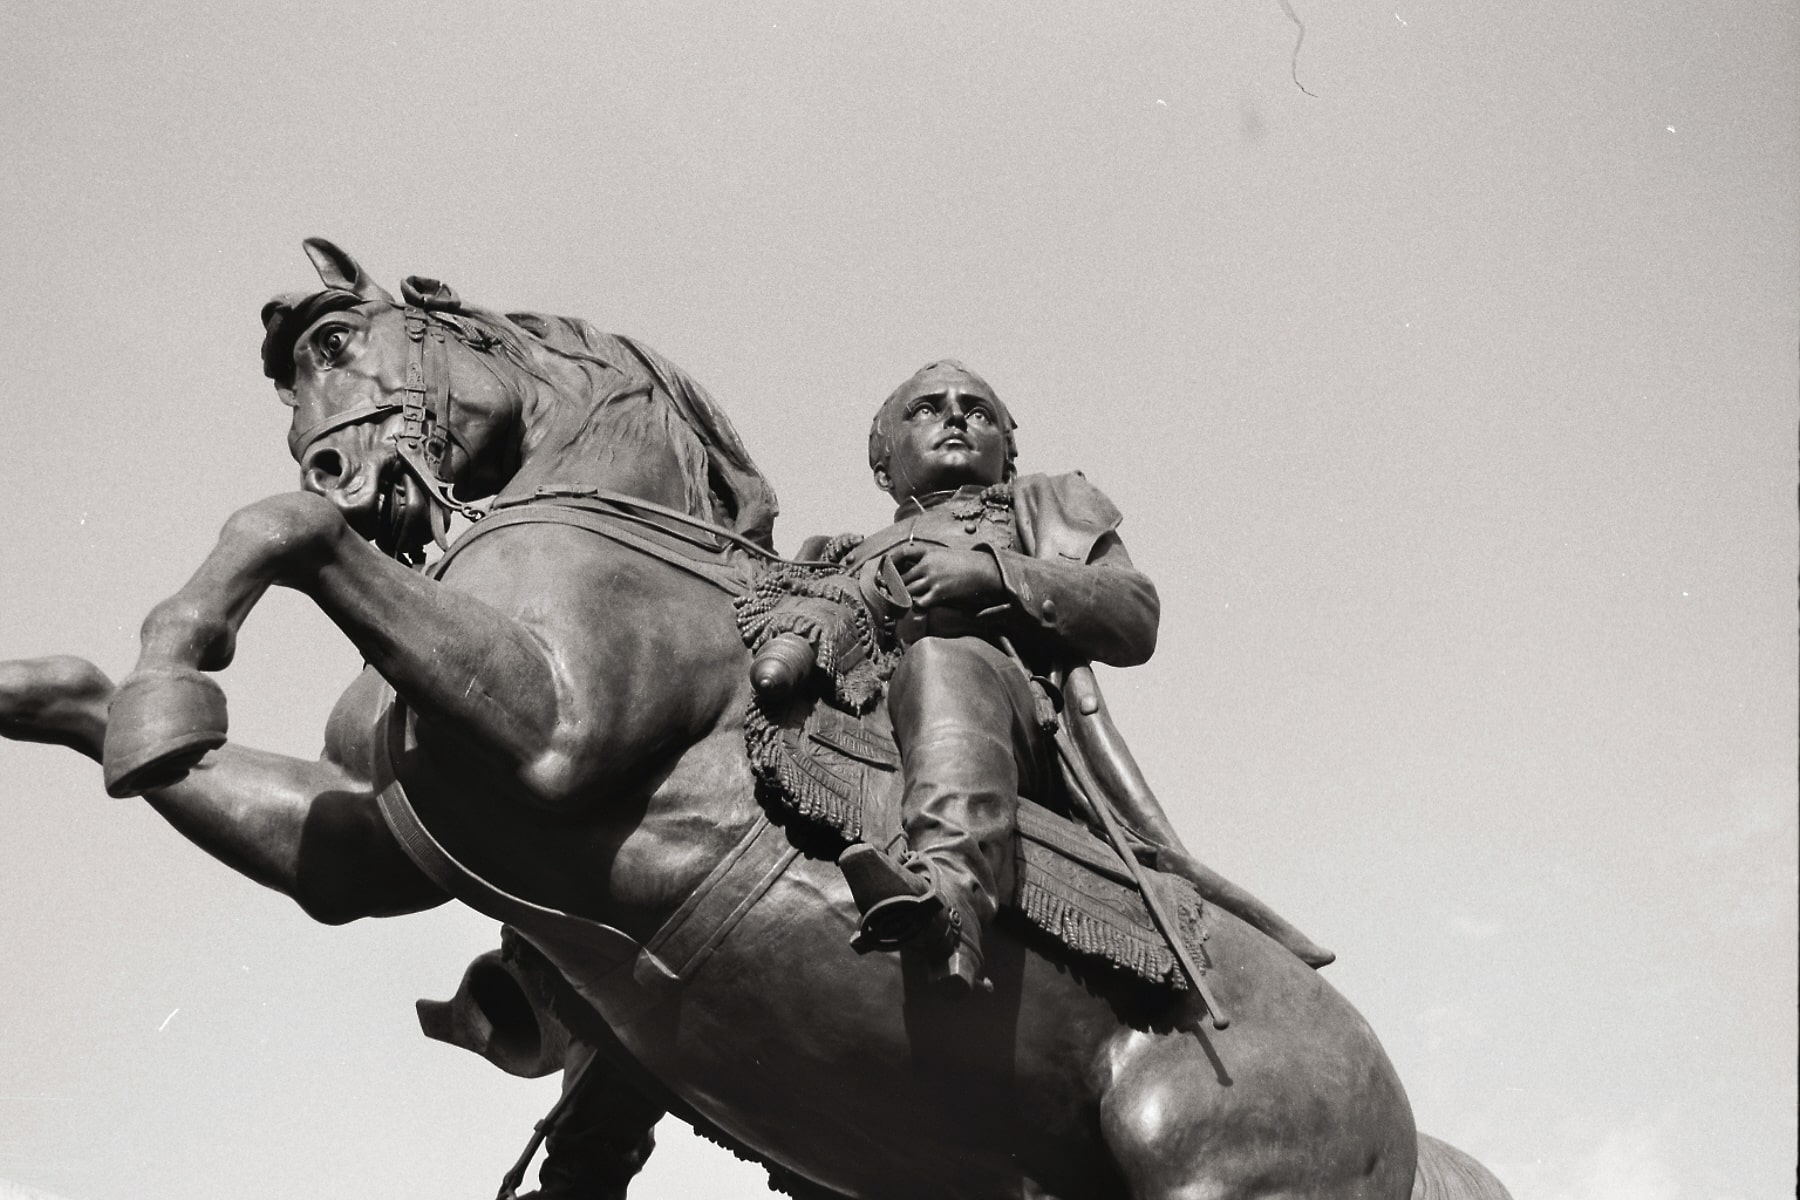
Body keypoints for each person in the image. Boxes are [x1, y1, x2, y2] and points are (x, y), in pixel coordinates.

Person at [834, 360, 1160, 997]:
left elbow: (1133, 613)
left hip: (1013, 731)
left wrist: (993, 574)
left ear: (1007, 458)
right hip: (867, 717)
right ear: (883, 465)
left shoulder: (1038, 502)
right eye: (926, 409)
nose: (955, 417)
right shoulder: (834, 552)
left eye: (977, 412)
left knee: (942, 659)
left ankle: (950, 898)